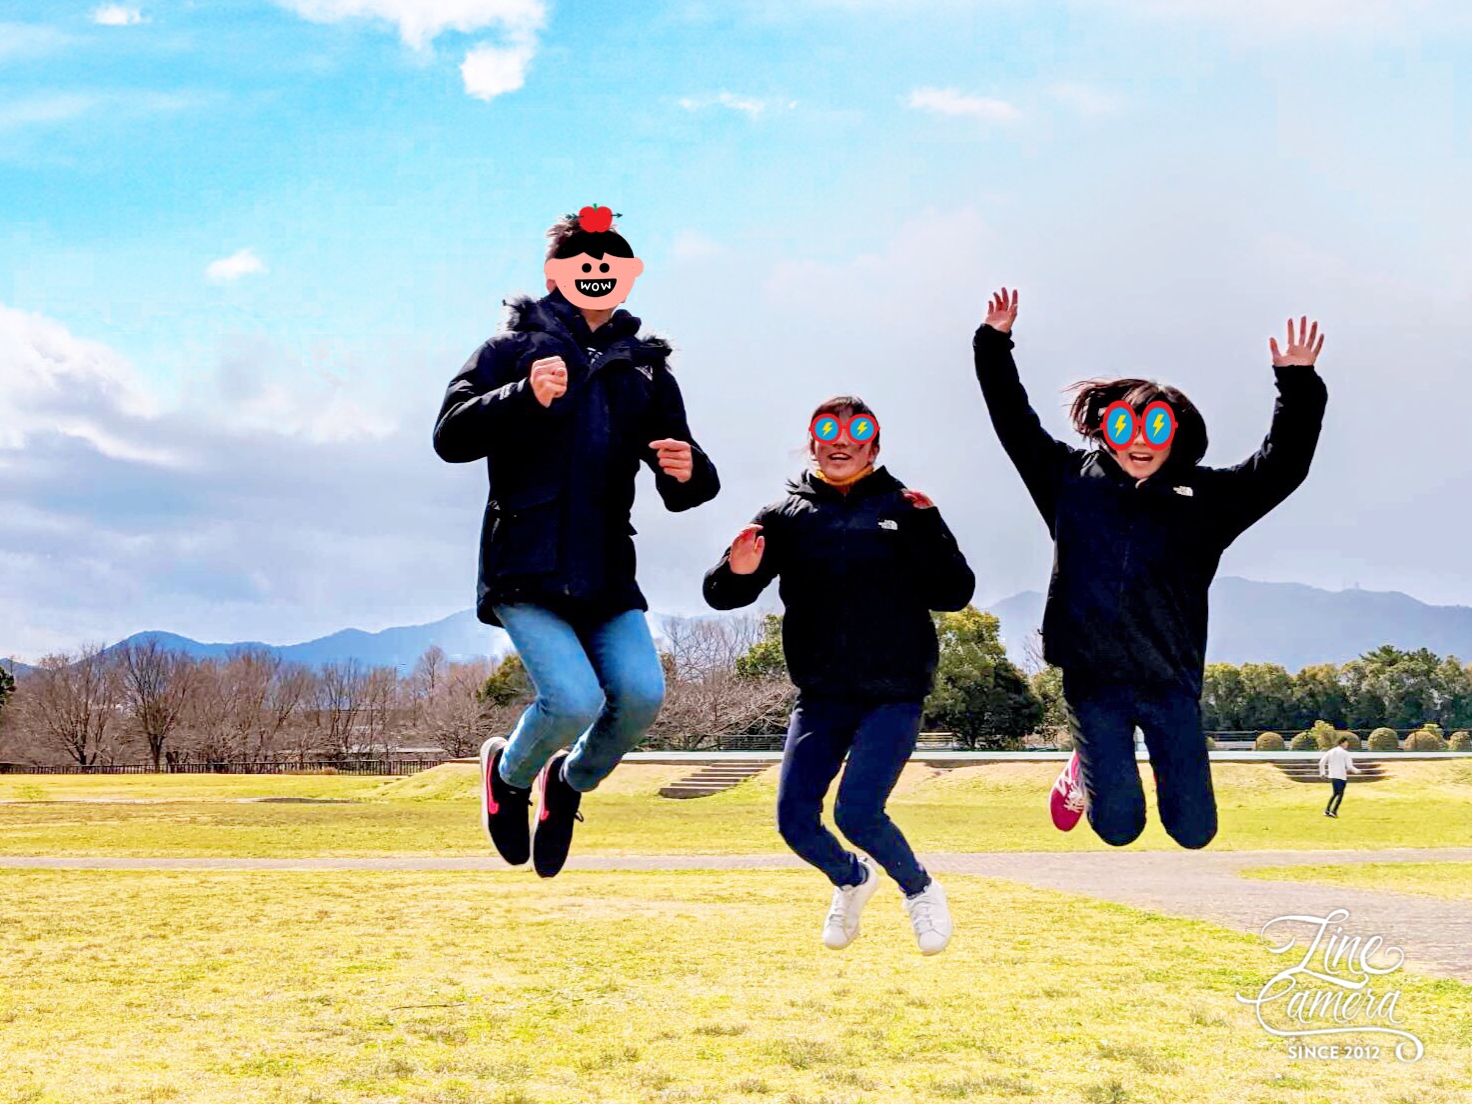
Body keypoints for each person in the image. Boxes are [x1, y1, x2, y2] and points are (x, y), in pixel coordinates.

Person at [974, 287, 1328, 849]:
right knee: (1118, 827)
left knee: (1194, 832)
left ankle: (1098, 771)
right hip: (1093, 681)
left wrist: (1298, 383)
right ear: (1105, 429)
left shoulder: (1206, 500)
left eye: (1155, 428)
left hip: (1169, 679)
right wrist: (994, 342)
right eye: (1125, 427)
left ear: (1176, 434)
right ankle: (1083, 772)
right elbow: (1012, 421)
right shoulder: (1070, 483)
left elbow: (1281, 467)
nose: (1140, 441)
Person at [434, 206, 719, 878]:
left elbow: (686, 477)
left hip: (606, 571)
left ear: (626, 277)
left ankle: (566, 783)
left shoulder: (646, 370)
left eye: (610, 266)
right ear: (557, 273)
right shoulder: (508, 351)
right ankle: (508, 779)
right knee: (574, 699)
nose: (597, 274)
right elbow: (449, 435)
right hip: (525, 564)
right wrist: (518, 396)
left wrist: (690, 469)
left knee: (641, 697)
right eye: (584, 264)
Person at [703, 397, 975, 954]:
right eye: (827, 431)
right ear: (813, 441)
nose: (840, 442)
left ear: (874, 445)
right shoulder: (785, 516)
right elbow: (722, 594)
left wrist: (927, 529)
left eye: (856, 433)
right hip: (821, 695)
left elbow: (955, 594)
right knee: (795, 822)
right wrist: (736, 569)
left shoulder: (907, 507)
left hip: (893, 693)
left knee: (857, 810)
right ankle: (852, 879)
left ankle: (921, 891)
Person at [1317, 736, 1360, 817]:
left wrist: (1322, 773)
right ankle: (1333, 811)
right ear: (1342, 743)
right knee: (1340, 794)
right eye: (1346, 742)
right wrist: (1357, 771)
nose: (1347, 744)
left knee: (1335, 793)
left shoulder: (1331, 751)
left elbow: (1322, 762)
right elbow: (1349, 766)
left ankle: (1327, 810)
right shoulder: (1345, 753)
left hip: (1333, 775)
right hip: (1341, 776)